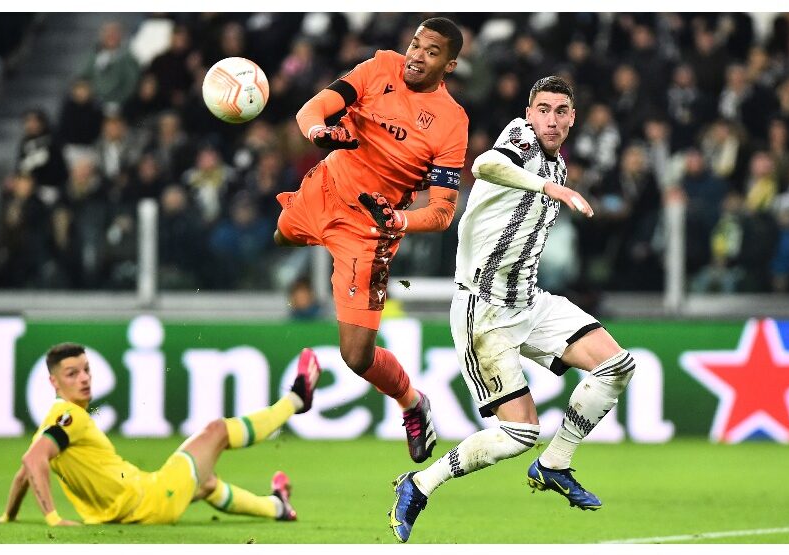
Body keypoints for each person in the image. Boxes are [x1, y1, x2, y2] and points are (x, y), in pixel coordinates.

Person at [388, 76, 637, 542]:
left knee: (617, 366)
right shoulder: (520, 139)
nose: (551, 120)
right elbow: (483, 164)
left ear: (573, 118)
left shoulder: (558, 166)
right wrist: (550, 189)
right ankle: (418, 485)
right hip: (483, 309)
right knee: (519, 433)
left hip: (529, 300)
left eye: (561, 111)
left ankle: (555, 463)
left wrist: (553, 185)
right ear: (528, 114)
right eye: (543, 109)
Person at [273, 17, 469, 463]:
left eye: (432, 52)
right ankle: (318, 244)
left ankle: (412, 402)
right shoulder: (379, 67)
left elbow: (442, 213)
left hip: (368, 231)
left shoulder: (451, 122)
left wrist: (397, 220)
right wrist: (319, 132)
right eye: (416, 44)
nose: (417, 56)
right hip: (325, 188)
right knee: (281, 236)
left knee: (356, 356)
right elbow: (312, 109)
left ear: (450, 65)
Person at [0, 343, 322, 526]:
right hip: (151, 500)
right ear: (53, 382)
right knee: (217, 431)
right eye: (72, 373)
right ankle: (296, 400)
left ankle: (278, 507)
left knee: (206, 483)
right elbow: (32, 461)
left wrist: (9, 516)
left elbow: (26, 472)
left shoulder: (50, 424)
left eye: (86, 369)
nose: (84, 378)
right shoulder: (71, 417)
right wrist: (53, 518)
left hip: (130, 504)